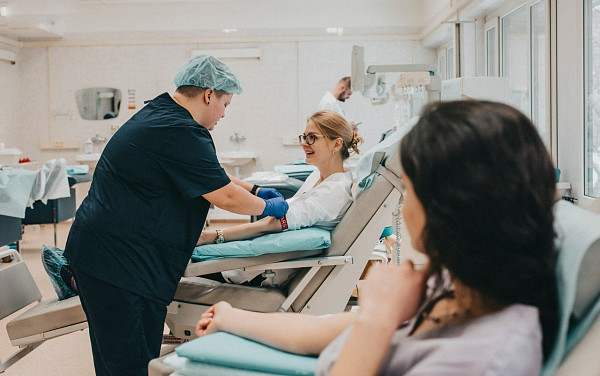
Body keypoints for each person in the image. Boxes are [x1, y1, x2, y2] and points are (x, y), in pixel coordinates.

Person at [194, 100, 559, 375]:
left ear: (448, 206)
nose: (404, 205)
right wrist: (231, 317)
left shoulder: (486, 357)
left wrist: (378, 317)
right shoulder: (456, 287)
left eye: (409, 189)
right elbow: (321, 330)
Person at [61, 54, 289, 376]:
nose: (224, 114)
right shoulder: (180, 130)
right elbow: (224, 195)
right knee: (132, 366)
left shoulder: (164, 115)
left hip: (111, 255)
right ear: (209, 95)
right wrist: (269, 208)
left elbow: (211, 173)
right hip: (120, 264)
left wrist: (254, 190)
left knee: (127, 360)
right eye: (225, 104)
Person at [196, 109, 363, 285]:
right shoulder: (318, 176)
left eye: (312, 137)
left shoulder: (333, 193)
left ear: (336, 144)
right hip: (256, 264)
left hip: (261, 273)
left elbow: (271, 224)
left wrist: (213, 236)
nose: (304, 143)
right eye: (304, 137)